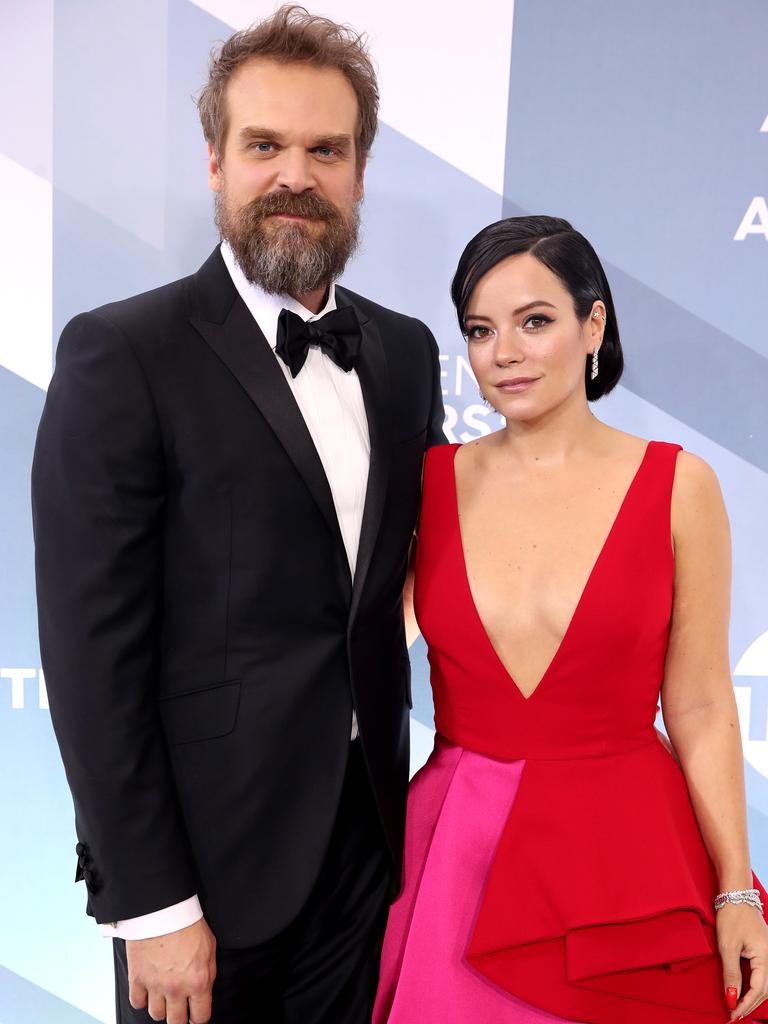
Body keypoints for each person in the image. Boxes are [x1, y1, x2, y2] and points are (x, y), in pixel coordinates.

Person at [31, 7, 445, 1023]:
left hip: (369, 857)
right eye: (264, 145)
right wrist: (152, 903)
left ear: (358, 172)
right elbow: (92, 660)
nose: (294, 176)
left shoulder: (404, 353)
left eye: (325, 150)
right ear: (215, 163)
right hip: (204, 882)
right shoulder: (123, 354)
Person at [373, 215, 768, 1024]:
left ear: (594, 324)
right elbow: (359, 654)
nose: (505, 353)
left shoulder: (678, 486)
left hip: (627, 858)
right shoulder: (427, 483)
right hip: (455, 858)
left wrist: (736, 889)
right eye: (481, 331)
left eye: (535, 321)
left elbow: (698, 704)